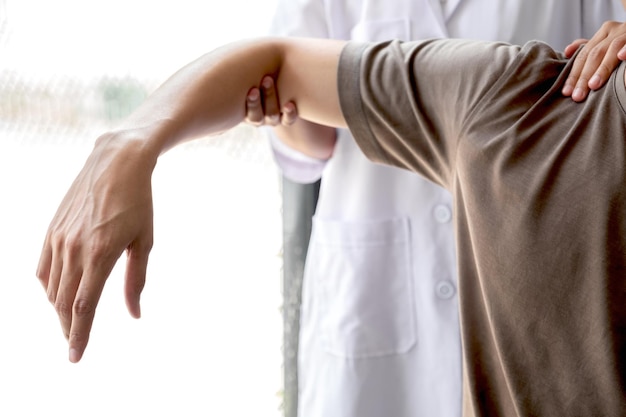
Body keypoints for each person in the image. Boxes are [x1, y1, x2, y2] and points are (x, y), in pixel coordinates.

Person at [37, 14, 626, 417]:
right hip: (395, 284)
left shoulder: (528, 98)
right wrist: (130, 143)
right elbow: (280, 73)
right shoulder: (509, 92)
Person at [242, 1, 626, 416]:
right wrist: (278, 106)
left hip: (522, 273)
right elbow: (309, 142)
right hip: (374, 281)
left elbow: (603, 91)